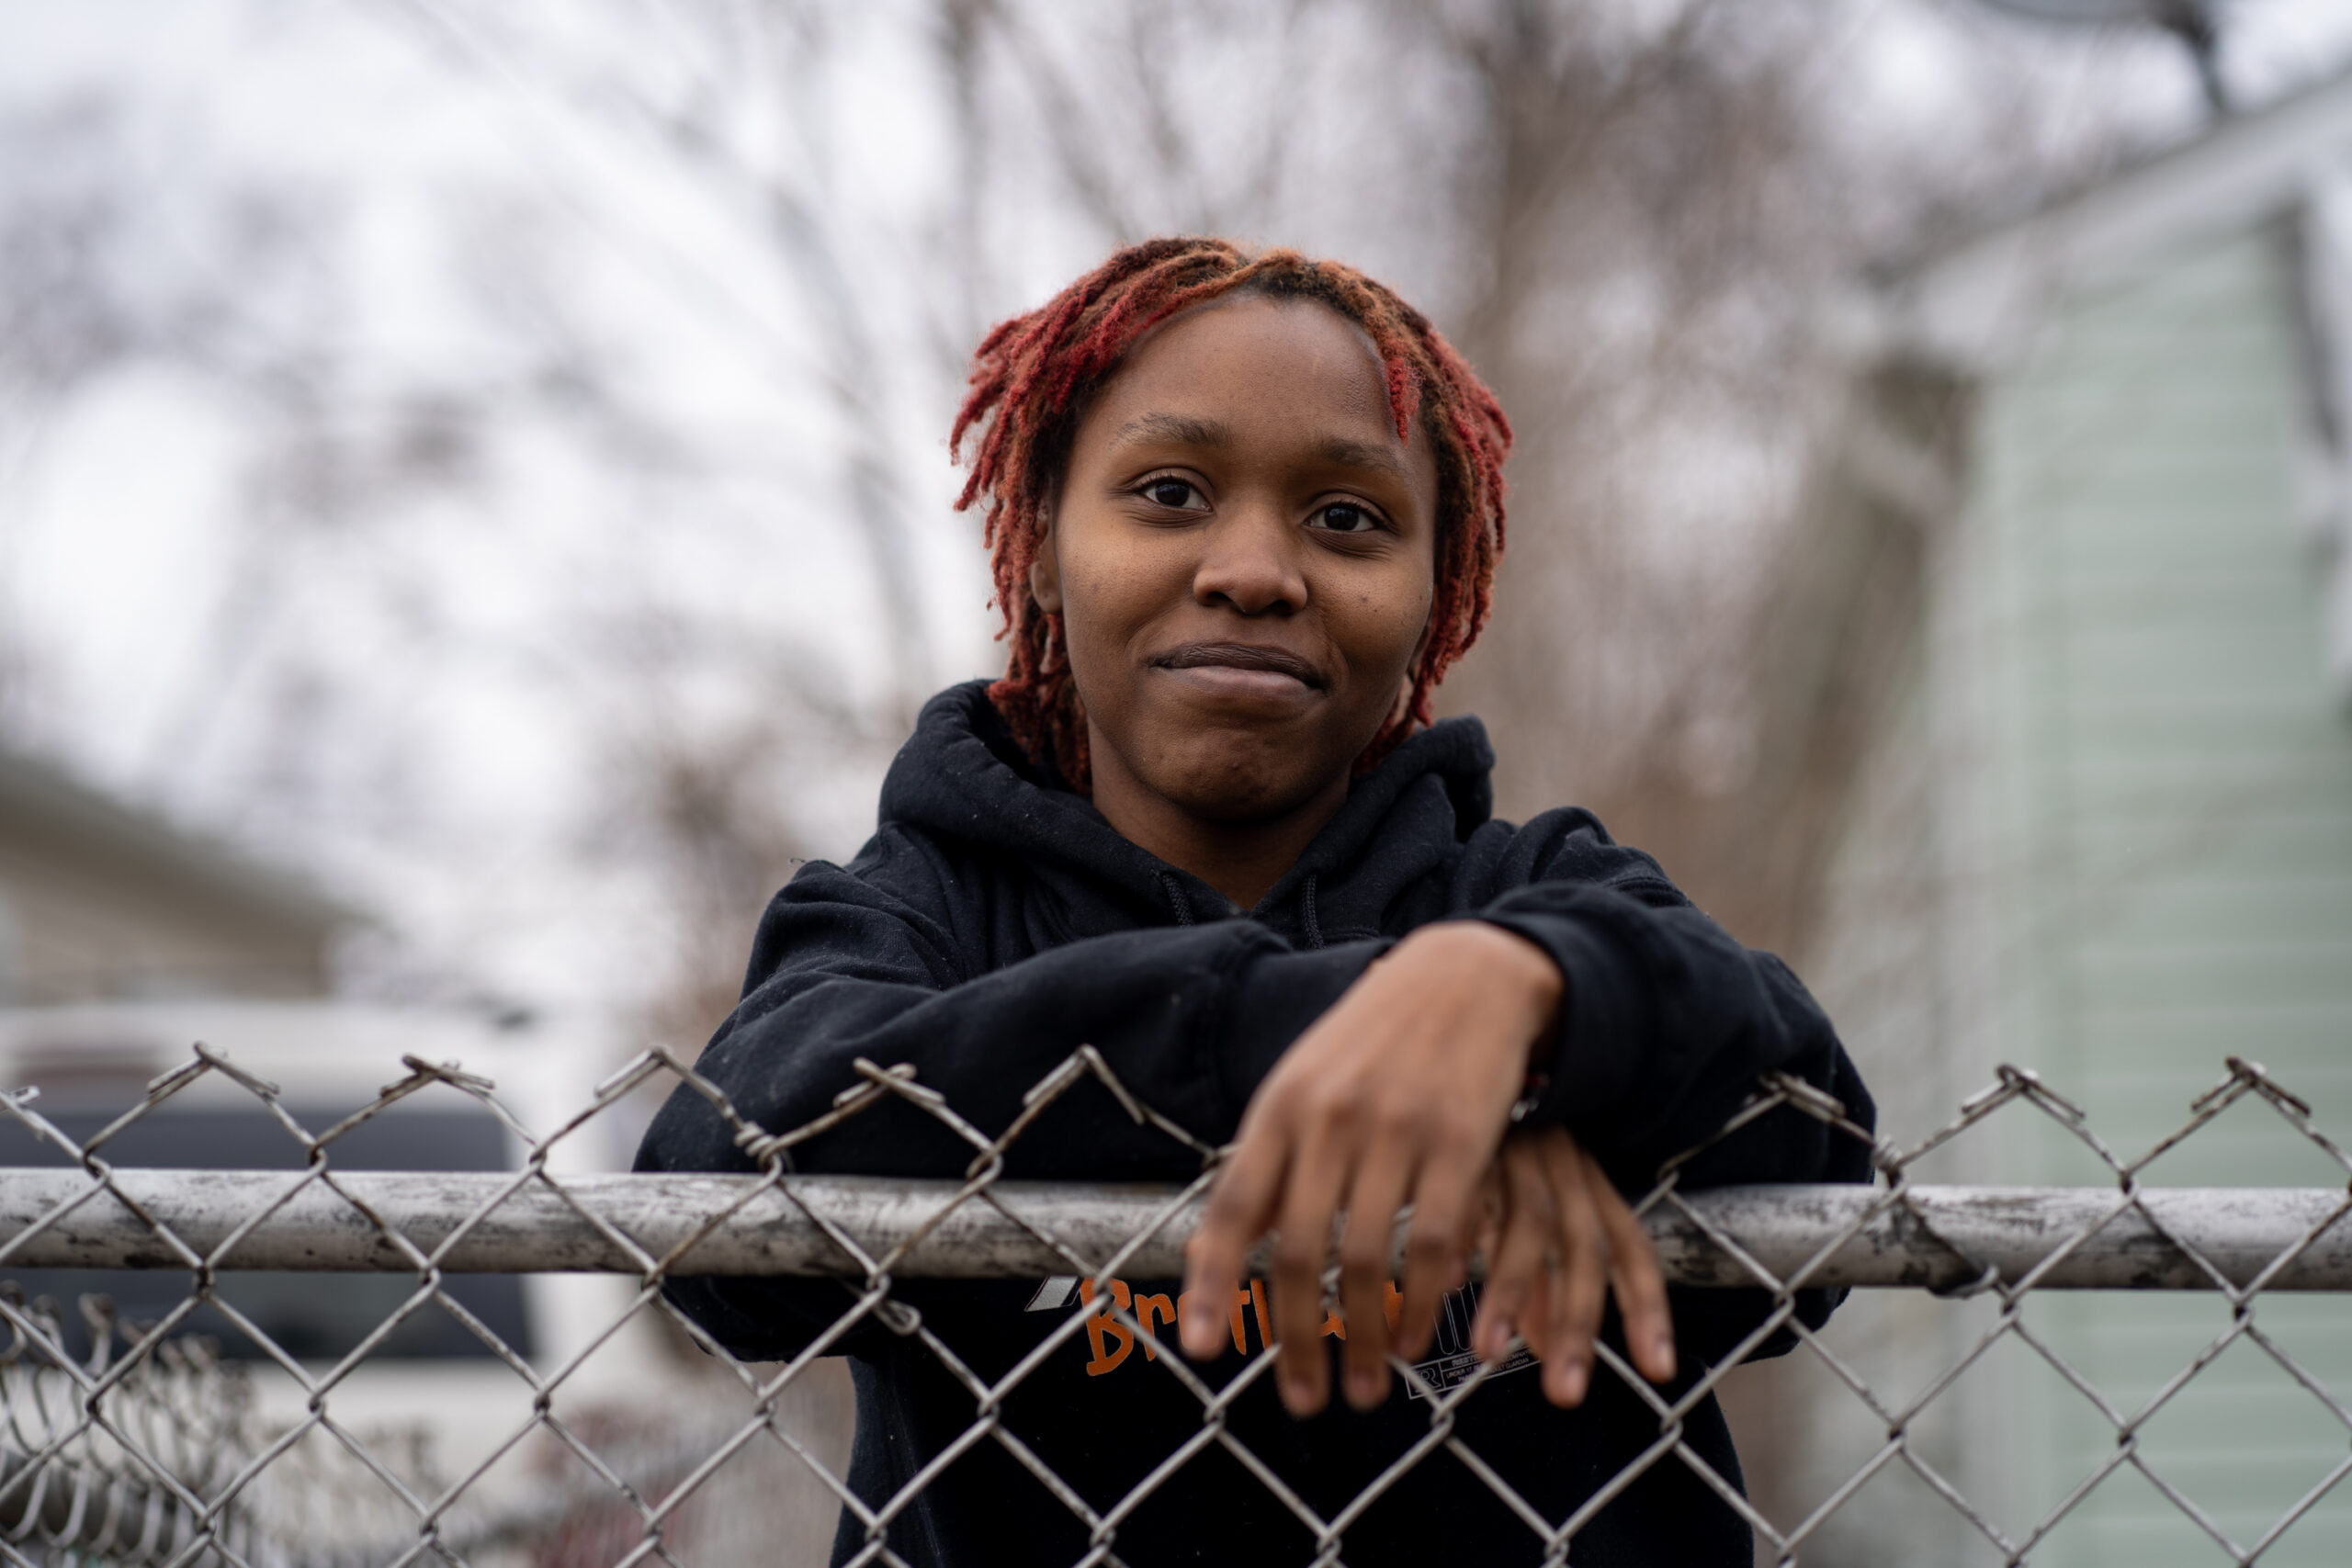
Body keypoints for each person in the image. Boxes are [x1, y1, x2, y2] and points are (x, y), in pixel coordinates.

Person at [636, 237, 1874, 1567]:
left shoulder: (1527, 897)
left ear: (1436, 591)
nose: (1254, 570)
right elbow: (719, 1219)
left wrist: (1535, 999)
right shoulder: (922, 913)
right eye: (1169, 492)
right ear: (1046, 548)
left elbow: (1810, 1152)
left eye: (1347, 518)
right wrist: (1397, 1045)